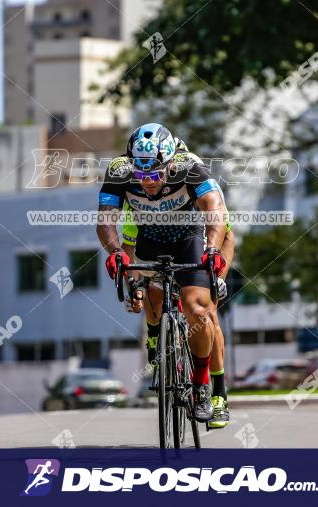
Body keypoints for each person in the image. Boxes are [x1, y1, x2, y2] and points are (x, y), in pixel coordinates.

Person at [96, 123, 226, 423]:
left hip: (188, 238)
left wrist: (214, 250)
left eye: (155, 175)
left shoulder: (189, 166)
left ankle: (202, 385)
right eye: (141, 177)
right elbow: (106, 221)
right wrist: (115, 253)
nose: (148, 183)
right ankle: (156, 337)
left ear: (169, 163)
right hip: (149, 239)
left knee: (198, 309)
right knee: (149, 292)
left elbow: (215, 209)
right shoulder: (119, 171)